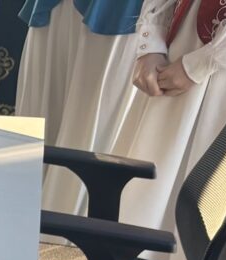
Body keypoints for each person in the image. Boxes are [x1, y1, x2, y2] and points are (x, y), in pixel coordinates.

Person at [114, 0, 226, 260]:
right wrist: (151, 40)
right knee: (147, 186)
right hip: (178, 43)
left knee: (208, 206)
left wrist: (204, 63)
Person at [16, 0, 144, 217]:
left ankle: (57, 242)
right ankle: (21, 228)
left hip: (121, 15)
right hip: (56, 10)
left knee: (85, 143)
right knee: (38, 137)